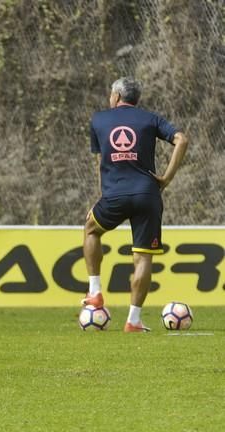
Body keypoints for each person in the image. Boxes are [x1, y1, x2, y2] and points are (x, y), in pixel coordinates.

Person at [82, 77, 188, 332]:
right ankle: (134, 320)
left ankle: (95, 292)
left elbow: (101, 161)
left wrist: (106, 191)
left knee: (91, 229)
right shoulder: (150, 119)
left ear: (116, 96)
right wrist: (166, 178)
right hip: (147, 194)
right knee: (142, 258)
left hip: (114, 195)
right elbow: (181, 140)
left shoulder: (98, 120)